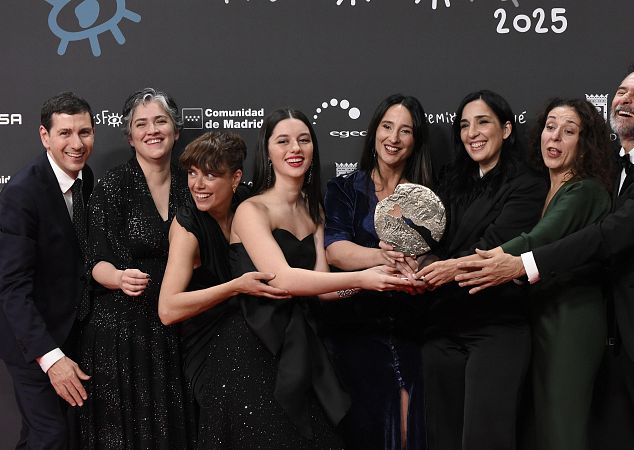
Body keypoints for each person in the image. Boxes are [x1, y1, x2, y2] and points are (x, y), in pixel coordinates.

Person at [456, 62, 634, 450]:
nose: (626, 100)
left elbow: (607, 236)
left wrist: (523, 263)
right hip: (624, 335)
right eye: (623, 91)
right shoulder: (612, 164)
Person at [228, 108, 412, 448]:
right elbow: (282, 279)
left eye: (303, 140)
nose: (294, 149)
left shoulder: (314, 211)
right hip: (258, 348)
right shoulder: (251, 210)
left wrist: (375, 276)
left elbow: (323, 289)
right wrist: (364, 278)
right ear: (267, 151)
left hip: (307, 346)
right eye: (282, 141)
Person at [415, 90, 547, 450]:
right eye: (464, 125)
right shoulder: (449, 182)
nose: (472, 132)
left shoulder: (529, 183)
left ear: (506, 129)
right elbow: (430, 243)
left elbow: (494, 248)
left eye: (483, 121)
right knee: (441, 437)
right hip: (442, 326)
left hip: (496, 327)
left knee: (485, 439)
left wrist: (440, 265)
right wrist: (413, 260)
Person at [158, 131, 294, 448]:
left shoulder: (249, 205)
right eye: (192, 173)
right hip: (208, 346)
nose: (198, 184)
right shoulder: (187, 226)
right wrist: (235, 287)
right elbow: (168, 309)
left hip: (253, 333)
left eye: (210, 175)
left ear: (235, 178)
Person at [79, 88, 193, 448]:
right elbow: (93, 260)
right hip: (124, 331)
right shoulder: (111, 186)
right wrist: (117, 277)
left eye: (160, 121)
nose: (152, 130)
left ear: (175, 130)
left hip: (178, 326)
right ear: (130, 137)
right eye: (141, 124)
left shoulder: (193, 183)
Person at [500, 98, 614, 450]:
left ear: (585, 143)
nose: (555, 138)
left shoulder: (585, 191)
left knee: (563, 429)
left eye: (569, 132)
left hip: (572, 321)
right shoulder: (544, 189)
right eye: (551, 127)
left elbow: (537, 242)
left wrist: (461, 266)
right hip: (543, 317)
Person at [322, 94, 433, 450]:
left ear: (415, 141)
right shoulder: (344, 189)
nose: (393, 138)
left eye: (405, 131)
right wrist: (382, 258)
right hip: (357, 328)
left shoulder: (428, 196)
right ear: (374, 132)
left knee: (411, 427)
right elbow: (335, 250)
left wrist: (422, 269)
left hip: (413, 328)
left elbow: (438, 254)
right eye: (387, 127)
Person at [0, 92, 95, 449]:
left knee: (50, 436)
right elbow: (11, 288)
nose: (76, 143)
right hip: (31, 341)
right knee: (50, 435)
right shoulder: (21, 193)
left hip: (68, 331)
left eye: (84, 132)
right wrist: (51, 359)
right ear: (45, 136)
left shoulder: (86, 178)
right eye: (65, 133)